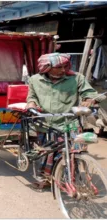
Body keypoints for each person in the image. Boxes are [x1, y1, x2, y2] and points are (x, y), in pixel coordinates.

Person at [26, 52, 105, 188]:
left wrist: (89, 99)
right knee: (47, 153)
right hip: (46, 123)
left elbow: (90, 93)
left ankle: (71, 180)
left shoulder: (77, 78)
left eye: (65, 66)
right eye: (59, 67)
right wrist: (32, 103)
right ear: (46, 68)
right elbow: (31, 97)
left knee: (74, 153)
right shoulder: (35, 80)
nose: (63, 70)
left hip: (70, 122)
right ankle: (46, 179)